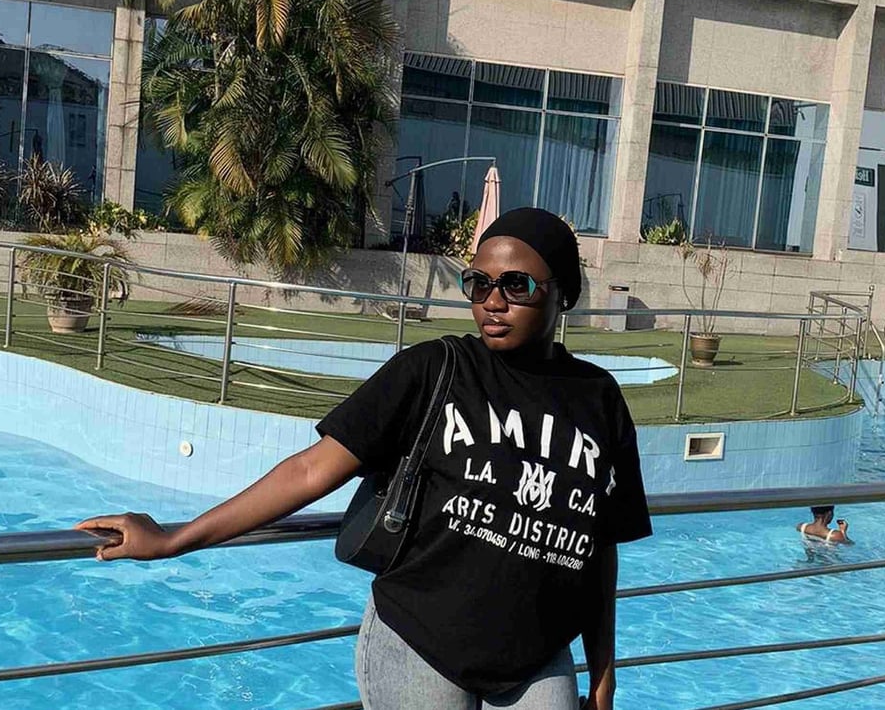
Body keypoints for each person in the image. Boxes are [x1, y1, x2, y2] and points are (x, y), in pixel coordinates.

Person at [76, 207, 653, 710]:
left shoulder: (598, 399)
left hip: (536, 659)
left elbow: (599, 548)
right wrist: (175, 539)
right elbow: (310, 470)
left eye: (516, 285)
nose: (493, 301)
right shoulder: (435, 369)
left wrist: (603, 675)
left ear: (563, 293)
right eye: (478, 283)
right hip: (420, 641)